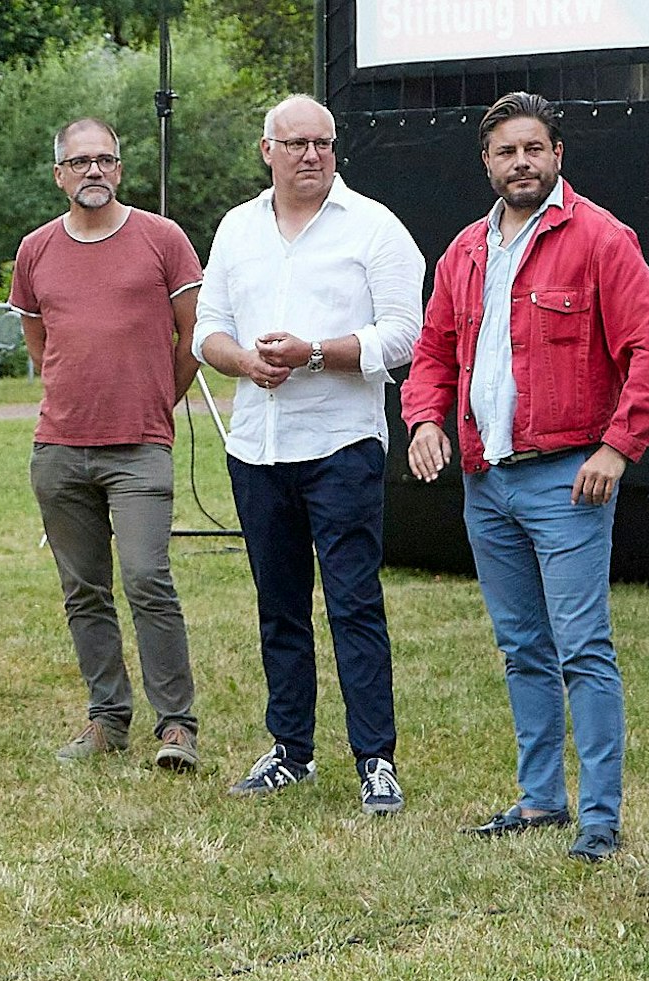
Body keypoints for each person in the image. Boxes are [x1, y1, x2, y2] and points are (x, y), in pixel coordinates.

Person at [402, 91, 649, 861]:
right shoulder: (464, 250)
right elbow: (432, 353)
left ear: (558, 154)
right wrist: (426, 420)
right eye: (505, 152)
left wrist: (619, 448)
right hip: (485, 480)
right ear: (486, 163)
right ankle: (539, 801)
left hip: (568, 479)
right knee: (521, 645)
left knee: (581, 647)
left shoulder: (599, 238)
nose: (520, 162)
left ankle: (600, 818)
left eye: (533, 148)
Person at [193, 95, 425, 815]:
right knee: (280, 606)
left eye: (322, 143)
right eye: (295, 144)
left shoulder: (376, 228)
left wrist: (316, 354)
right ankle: (290, 749)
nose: (311, 156)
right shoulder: (237, 228)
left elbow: (405, 337)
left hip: (340, 445)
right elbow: (208, 328)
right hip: (257, 446)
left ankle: (376, 759)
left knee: (354, 604)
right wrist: (243, 363)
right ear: (267, 150)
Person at [9, 118, 205, 770]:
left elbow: (193, 339)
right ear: (59, 174)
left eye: (105, 160)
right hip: (60, 448)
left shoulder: (162, 240)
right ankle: (107, 718)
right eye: (79, 161)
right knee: (83, 591)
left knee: (148, 577)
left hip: (140, 447)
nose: (93, 171)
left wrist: (154, 402)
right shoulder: (35, 250)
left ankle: (176, 725)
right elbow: (42, 345)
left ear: (120, 169)